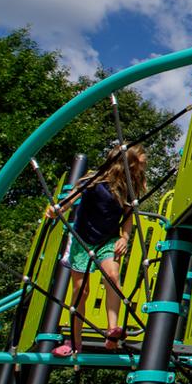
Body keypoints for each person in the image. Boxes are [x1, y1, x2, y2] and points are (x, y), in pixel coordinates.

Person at [42, 145, 148, 356]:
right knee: (81, 291)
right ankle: (74, 342)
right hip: (82, 240)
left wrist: (124, 237)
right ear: (127, 164)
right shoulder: (94, 180)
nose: (142, 170)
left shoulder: (128, 188)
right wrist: (58, 209)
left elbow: (127, 219)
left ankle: (112, 331)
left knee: (112, 274)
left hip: (107, 240)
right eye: (140, 164)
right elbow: (72, 198)